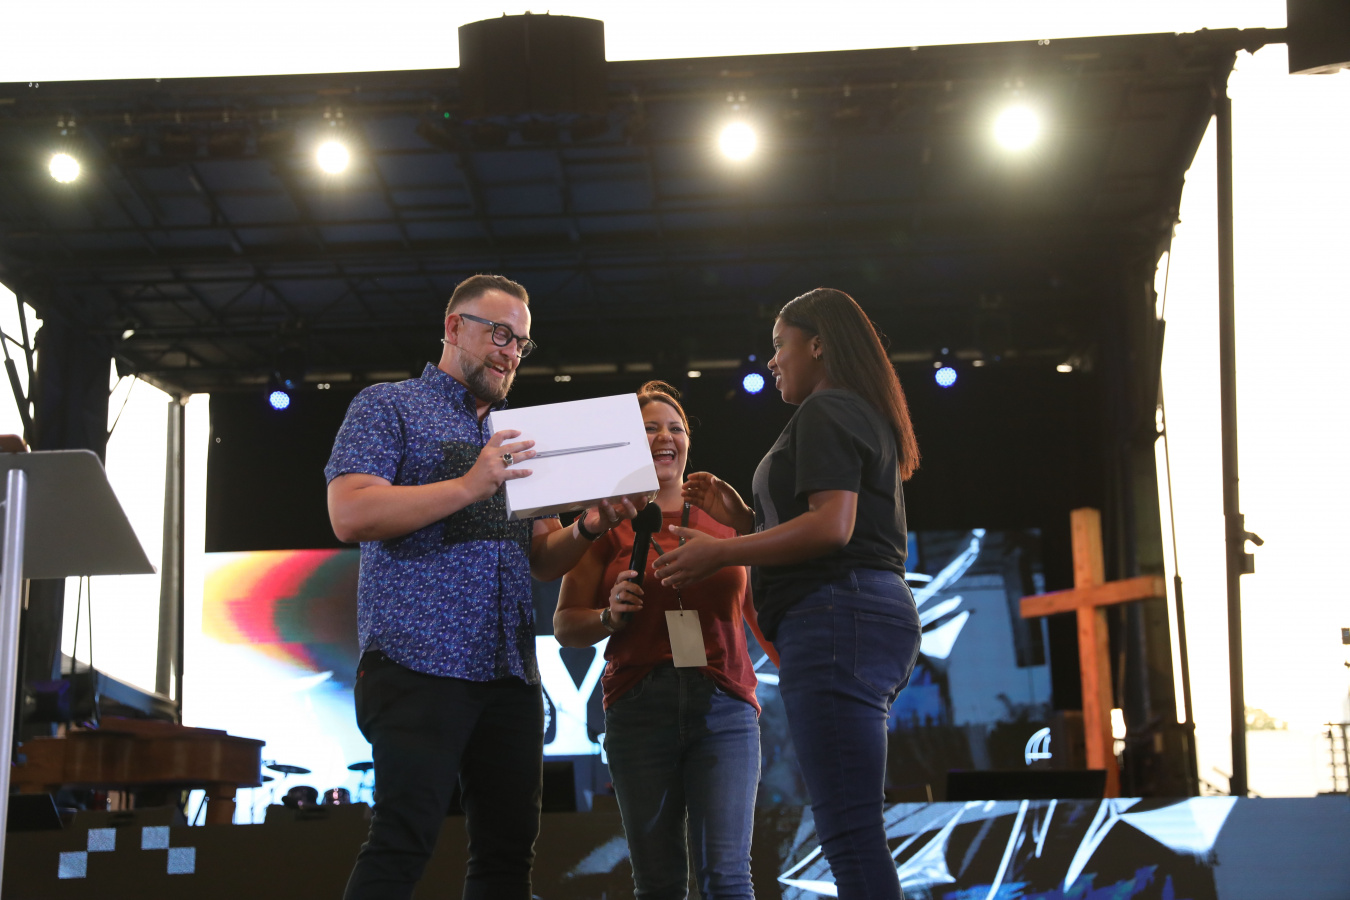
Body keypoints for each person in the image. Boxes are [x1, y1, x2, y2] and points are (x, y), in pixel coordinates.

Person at [325, 274, 640, 900]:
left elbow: (543, 558)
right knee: (401, 843)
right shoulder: (387, 406)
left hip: (508, 675)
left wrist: (588, 525)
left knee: (506, 860)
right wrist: (470, 485)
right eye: (499, 333)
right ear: (453, 327)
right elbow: (350, 513)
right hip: (417, 663)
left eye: (521, 342)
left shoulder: (518, 432)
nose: (510, 351)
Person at [652, 288, 923, 900]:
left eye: (780, 346)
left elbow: (832, 529)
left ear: (818, 344)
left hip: (836, 615)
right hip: (859, 611)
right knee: (853, 825)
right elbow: (834, 529)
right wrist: (745, 520)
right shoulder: (856, 409)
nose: (771, 361)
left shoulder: (828, 409)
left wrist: (722, 550)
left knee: (849, 830)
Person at [555, 381, 774, 900]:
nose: (664, 437)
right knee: (658, 883)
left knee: (728, 877)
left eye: (675, 428)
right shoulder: (605, 519)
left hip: (724, 706)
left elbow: (765, 616)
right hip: (638, 706)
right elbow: (565, 625)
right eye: (649, 428)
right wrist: (608, 617)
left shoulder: (726, 516)